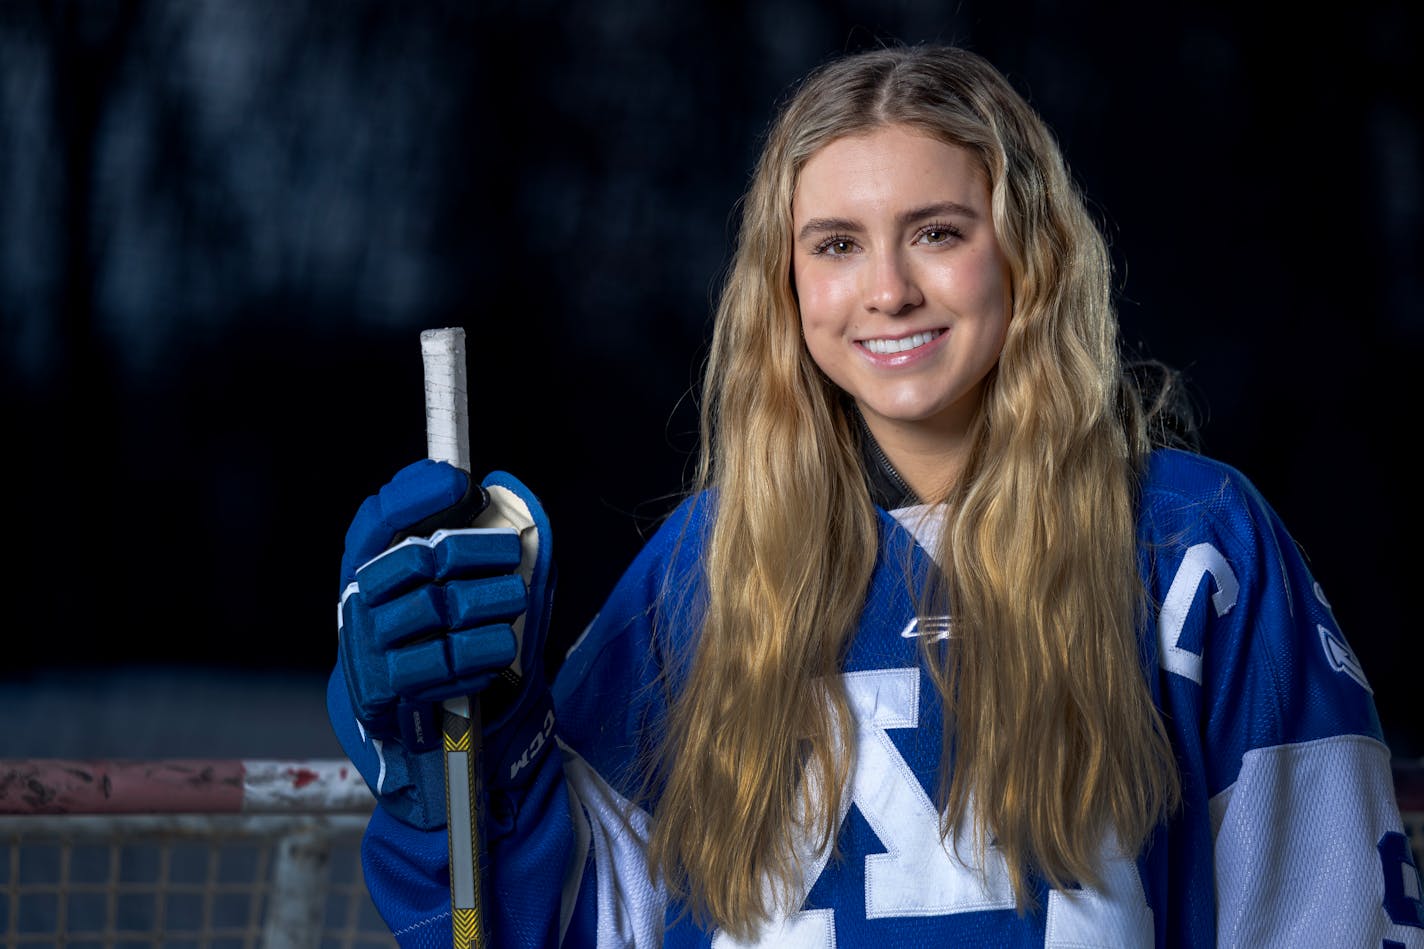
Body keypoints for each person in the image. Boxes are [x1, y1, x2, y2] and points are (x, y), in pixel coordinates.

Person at [327, 43, 1424, 948]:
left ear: (1026, 252)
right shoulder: (711, 566)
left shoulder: (1188, 545)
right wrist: (463, 758)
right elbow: (553, 926)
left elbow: (1324, 916)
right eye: (837, 245)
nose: (888, 288)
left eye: (936, 232)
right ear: (787, 285)